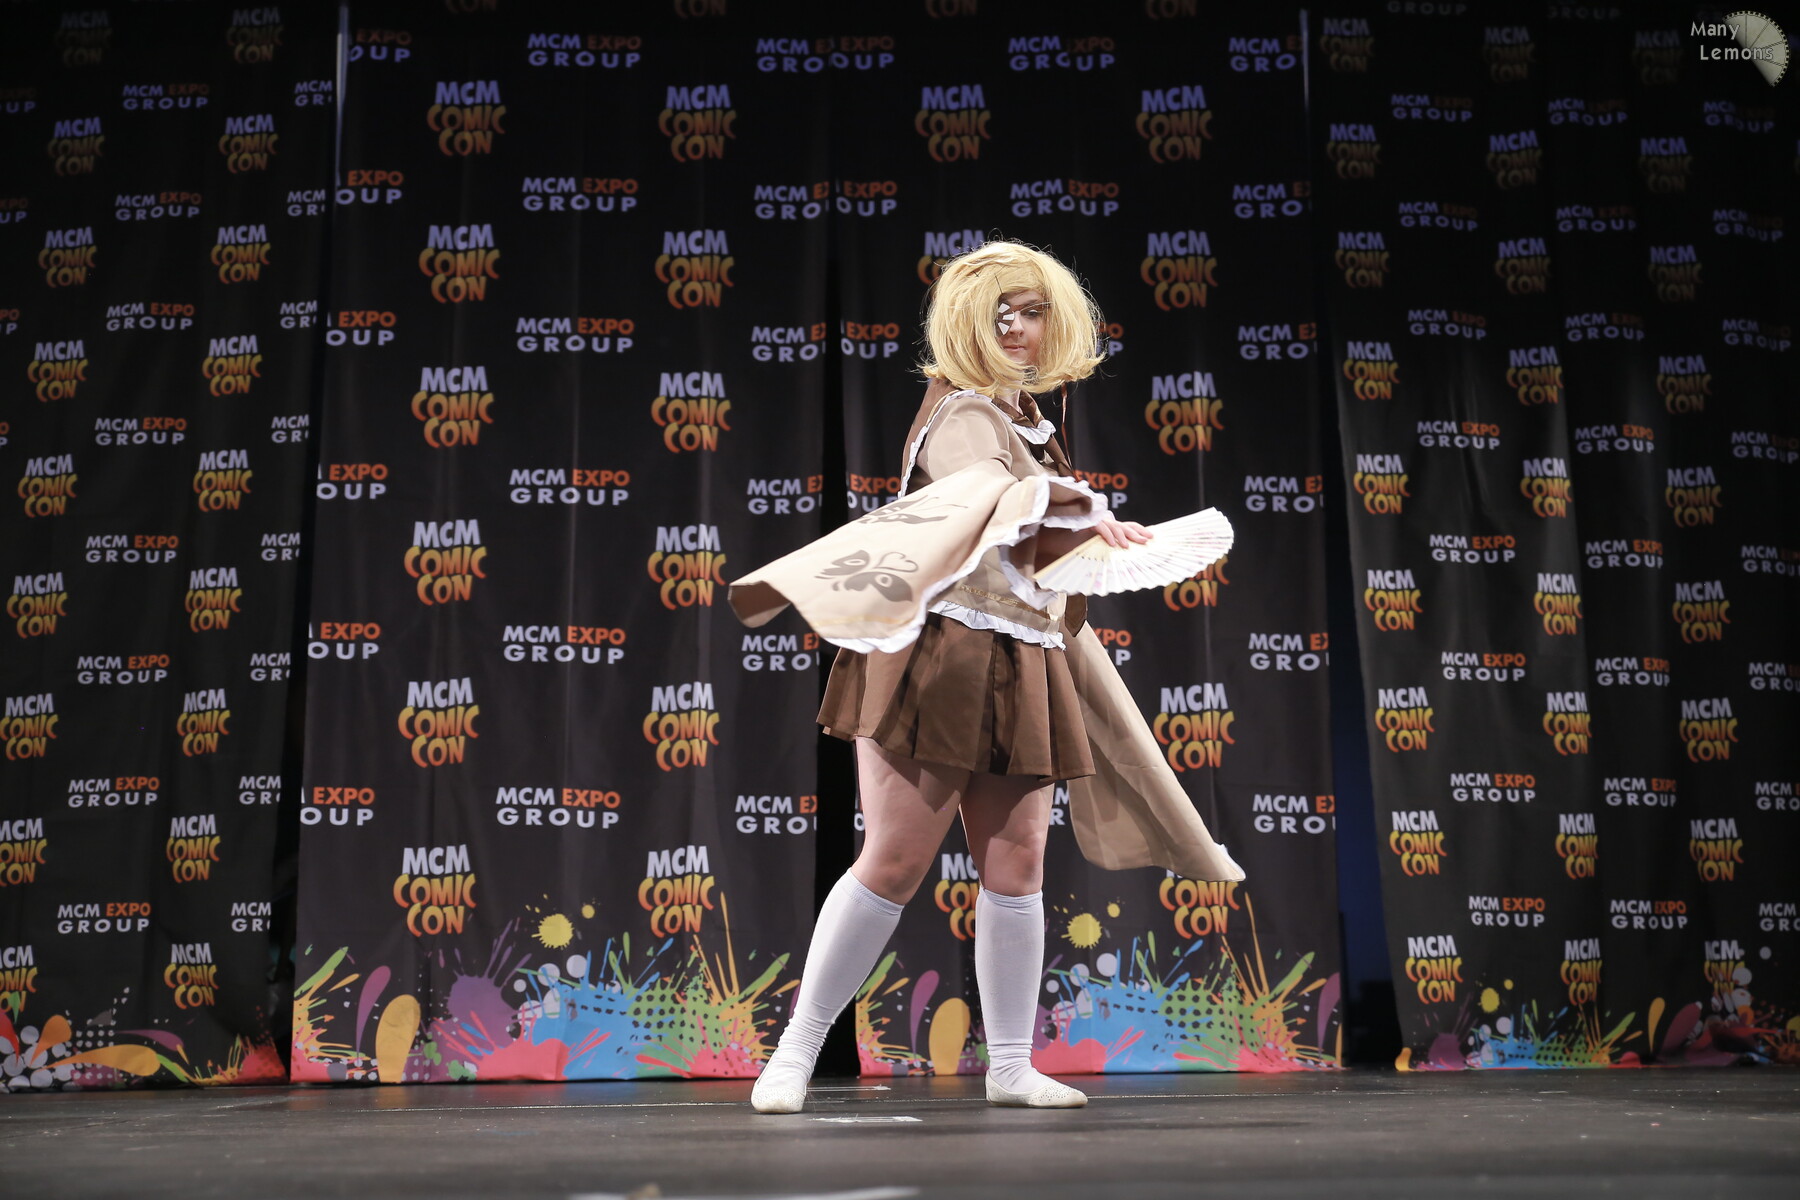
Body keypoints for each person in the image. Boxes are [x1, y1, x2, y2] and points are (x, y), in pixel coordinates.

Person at [737, 241, 1152, 1113]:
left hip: (1022, 653)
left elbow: (1034, 547)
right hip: (940, 651)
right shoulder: (962, 410)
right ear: (965, 324)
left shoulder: (1030, 420)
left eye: (1031, 312)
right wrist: (1083, 510)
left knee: (1020, 860)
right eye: (1000, 314)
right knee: (894, 858)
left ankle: (1011, 1065)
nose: (1017, 328)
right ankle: (794, 1054)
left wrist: (1096, 541)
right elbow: (989, 496)